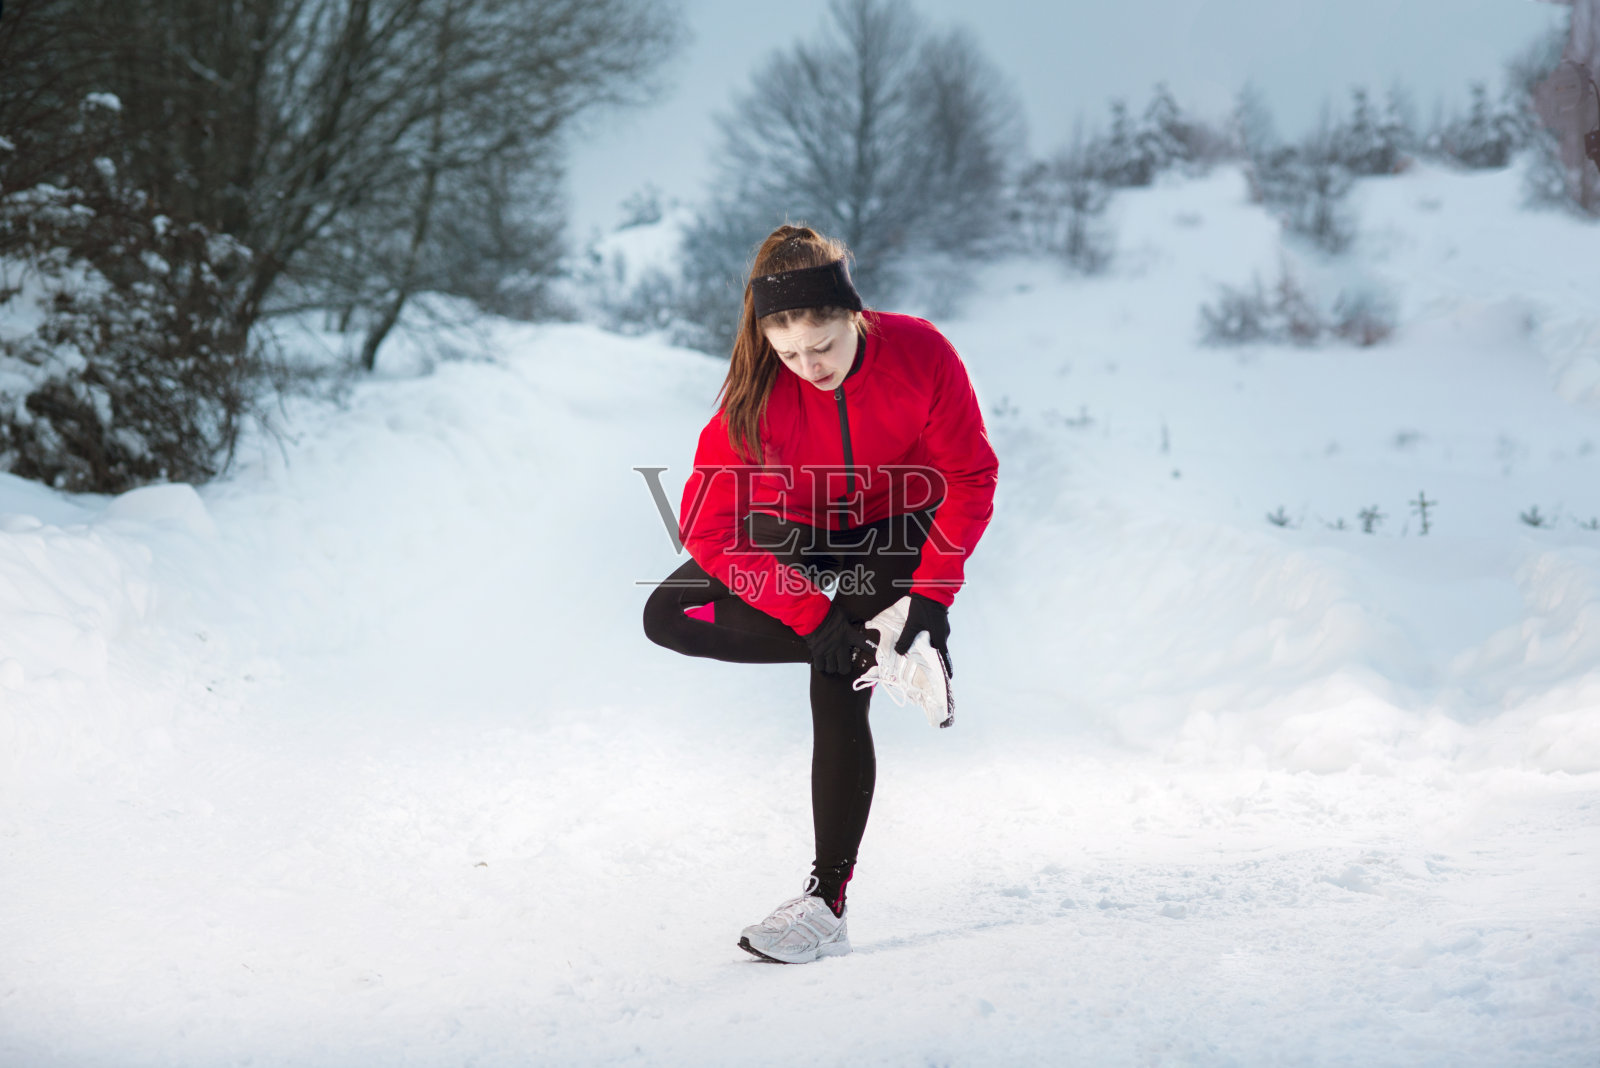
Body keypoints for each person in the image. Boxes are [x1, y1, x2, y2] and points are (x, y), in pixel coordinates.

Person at [642, 224, 999, 964]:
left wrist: (932, 598)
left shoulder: (920, 353)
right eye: (789, 351)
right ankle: (876, 648)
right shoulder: (758, 393)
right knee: (672, 610)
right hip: (802, 535)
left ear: (853, 316)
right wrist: (815, 618)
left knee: (836, 682)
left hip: (899, 527)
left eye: (824, 346)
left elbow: (970, 476)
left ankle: (825, 902)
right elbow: (709, 529)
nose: (808, 366)